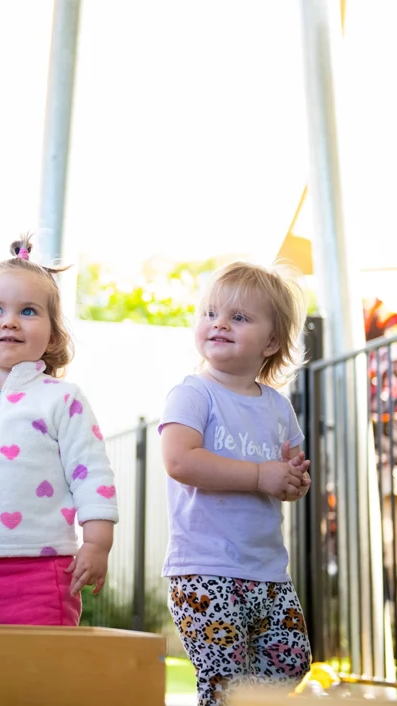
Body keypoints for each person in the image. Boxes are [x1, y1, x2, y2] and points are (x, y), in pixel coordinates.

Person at [158, 260, 313, 705]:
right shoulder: (193, 393)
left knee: (291, 661)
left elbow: (291, 471)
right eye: (210, 313)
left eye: (239, 317)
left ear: (272, 342)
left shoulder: (279, 408)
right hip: (204, 570)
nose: (219, 323)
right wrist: (261, 475)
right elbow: (180, 460)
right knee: (225, 680)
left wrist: (292, 482)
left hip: (267, 571)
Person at [0, 233, 119, 625]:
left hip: (40, 573)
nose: (10, 320)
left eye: (28, 311)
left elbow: (91, 474)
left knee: (39, 678)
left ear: (53, 333)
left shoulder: (63, 399)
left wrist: (96, 543)